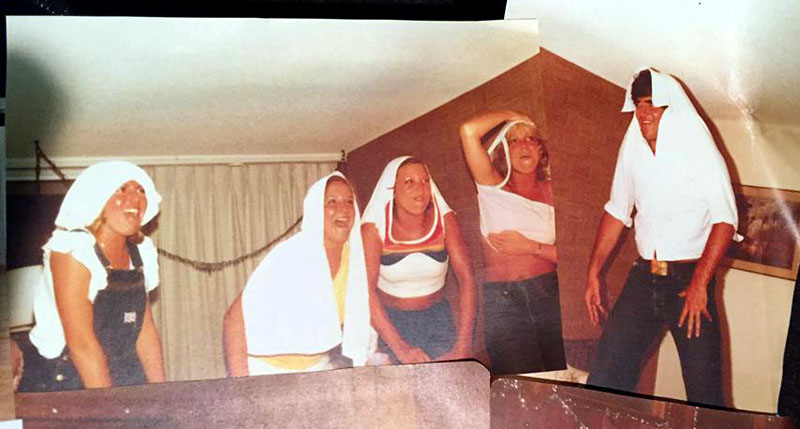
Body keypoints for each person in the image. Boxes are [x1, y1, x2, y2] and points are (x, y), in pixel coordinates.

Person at [584, 68, 739, 407]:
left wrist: (699, 285)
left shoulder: (698, 149)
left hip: (689, 283)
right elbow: (616, 211)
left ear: (672, 108)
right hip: (645, 277)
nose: (644, 112)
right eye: (639, 104)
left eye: (654, 104)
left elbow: (725, 220)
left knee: (706, 397)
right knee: (605, 378)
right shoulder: (632, 148)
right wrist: (594, 272)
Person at [18, 161, 165, 392]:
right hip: (64, 378)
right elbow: (82, 344)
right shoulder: (72, 248)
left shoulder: (141, 251)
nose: (135, 199)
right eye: (121, 189)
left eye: (141, 190)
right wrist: (108, 406)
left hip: (119, 375)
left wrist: (163, 394)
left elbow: (144, 332)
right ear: (97, 196)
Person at [223, 172, 371, 376]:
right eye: (331, 202)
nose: (343, 209)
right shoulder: (289, 254)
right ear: (315, 209)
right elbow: (233, 319)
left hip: (317, 367)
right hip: (266, 370)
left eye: (349, 202)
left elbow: (359, 315)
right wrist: (241, 385)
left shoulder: (353, 258)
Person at [459, 111, 565, 375]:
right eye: (514, 140)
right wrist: (513, 115)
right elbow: (468, 131)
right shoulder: (491, 186)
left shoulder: (555, 190)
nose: (524, 145)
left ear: (541, 150)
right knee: (520, 385)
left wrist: (532, 247)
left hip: (549, 294)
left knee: (558, 380)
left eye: (531, 138)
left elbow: (576, 256)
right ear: (503, 150)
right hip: (504, 302)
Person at [361, 156, 476, 364]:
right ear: (392, 189)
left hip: (438, 319)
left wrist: (464, 345)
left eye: (425, 181)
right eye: (409, 182)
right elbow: (365, 290)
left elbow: (466, 278)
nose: (420, 189)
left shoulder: (445, 220)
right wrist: (400, 348)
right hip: (391, 323)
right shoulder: (375, 228)